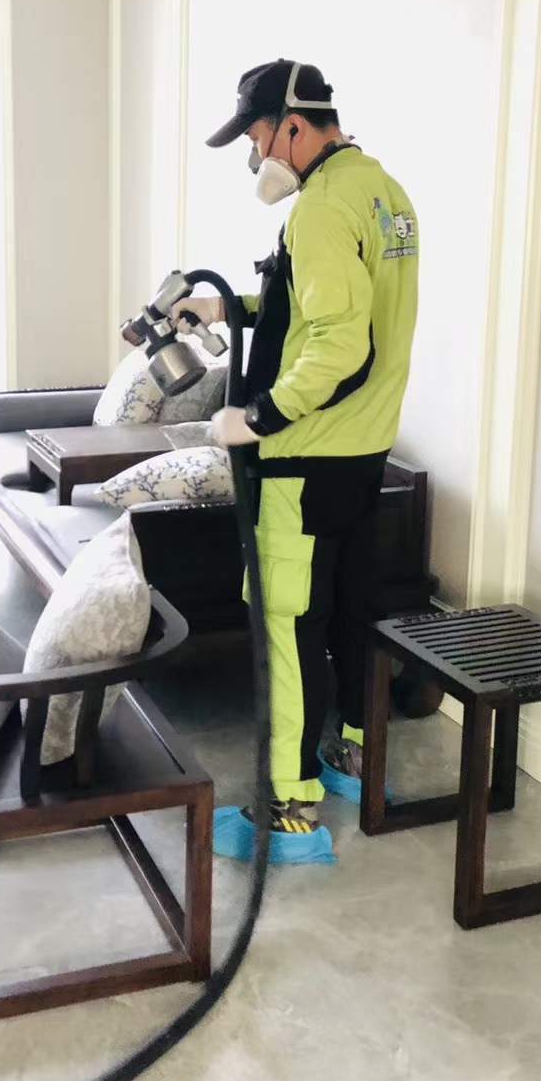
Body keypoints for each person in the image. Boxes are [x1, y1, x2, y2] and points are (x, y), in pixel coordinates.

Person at [173, 59, 419, 863]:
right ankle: (352, 758)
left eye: (255, 137)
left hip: (302, 461)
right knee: (347, 613)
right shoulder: (382, 193)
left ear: (293, 124)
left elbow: (341, 346)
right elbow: (315, 312)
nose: (254, 156)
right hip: (362, 452)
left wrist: (256, 418)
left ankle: (288, 809)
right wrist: (224, 307)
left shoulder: (318, 207)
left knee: (286, 628)